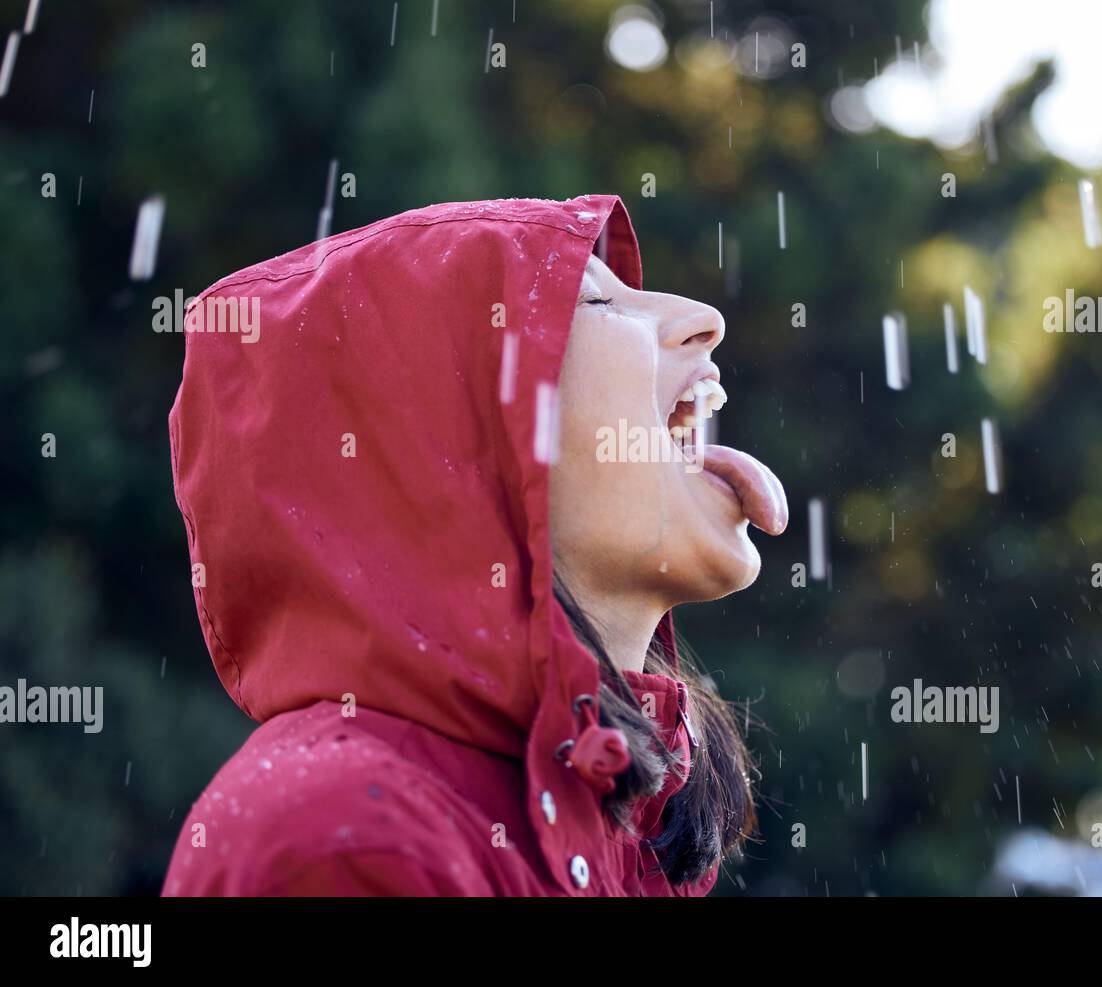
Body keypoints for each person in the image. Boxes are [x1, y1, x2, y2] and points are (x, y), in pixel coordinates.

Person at [161, 194, 788, 896]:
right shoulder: (342, 840)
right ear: (439, 450)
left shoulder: (620, 834)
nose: (707, 319)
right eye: (596, 302)